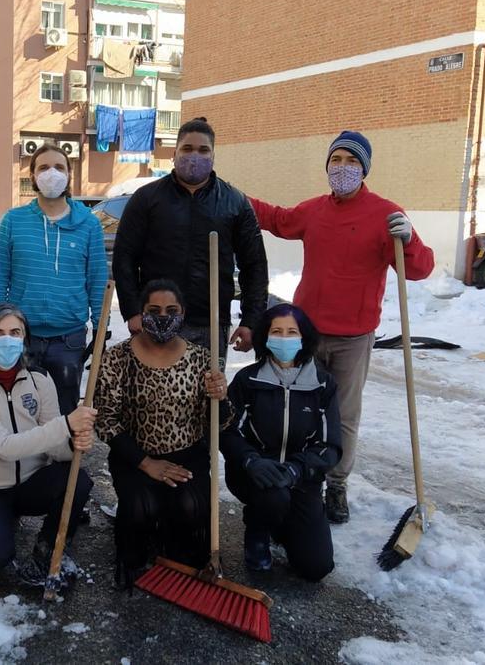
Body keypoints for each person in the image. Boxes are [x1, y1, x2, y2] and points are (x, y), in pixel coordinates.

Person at [249, 130, 435, 524]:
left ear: (364, 168)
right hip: (308, 335)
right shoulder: (315, 210)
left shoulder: (385, 214)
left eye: (352, 161)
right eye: (337, 160)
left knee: (344, 415)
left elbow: (418, 269)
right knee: (301, 410)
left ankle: (336, 486)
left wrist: (410, 240)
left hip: (353, 337)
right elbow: (278, 220)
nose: (343, 168)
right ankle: (305, 478)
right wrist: (236, 198)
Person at [93, 279, 230, 588]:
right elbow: (106, 421)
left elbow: (217, 424)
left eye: (172, 310)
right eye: (154, 310)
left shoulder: (202, 360)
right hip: (134, 455)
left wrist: (219, 398)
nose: (163, 316)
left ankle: (177, 546)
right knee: (143, 509)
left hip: (188, 456)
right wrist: (145, 463)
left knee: (190, 508)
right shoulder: (117, 359)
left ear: (183, 314)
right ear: (142, 314)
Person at [0, 304, 96, 586]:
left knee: (76, 479)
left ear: (25, 338)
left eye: (15, 332)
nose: (8, 339)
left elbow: (55, 447)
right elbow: (4, 446)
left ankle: (48, 547)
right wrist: (66, 425)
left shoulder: (39, 379)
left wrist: (76, 443)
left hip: (30, 482)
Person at [112, 117, 268, 358]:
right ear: (174, 153)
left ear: (213, 155)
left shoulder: (235, 203)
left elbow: (254, 265)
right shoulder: (146, 199)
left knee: (207, 392)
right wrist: (132, 310)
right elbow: (125, 257)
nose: (195, 156)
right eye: (187, 149)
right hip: (157, 318)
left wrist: (251, 320)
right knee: (156, 393)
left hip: (210, 322)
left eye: (203, 150)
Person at [221, 303, 342, 581]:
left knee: (315, 567)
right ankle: (258, 530)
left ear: (304, 337)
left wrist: (297, 469)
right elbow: (227, 430)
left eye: (291, 332)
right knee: (273, 497)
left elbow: (330, 444)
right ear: (265, 336)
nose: (284, 338)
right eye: (277, 331)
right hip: (255, 477)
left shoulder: (323, 385)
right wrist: (250, 460)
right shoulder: (247, 380)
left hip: (302, 480)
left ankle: (286, 525)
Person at [0, 142, 108, 414]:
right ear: (32, 176)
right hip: (21, 338)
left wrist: (102, 329)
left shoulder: (88, 224)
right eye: (43, 167)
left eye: (59, 167)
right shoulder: (14, 221)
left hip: (69, 340)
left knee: (64, 413)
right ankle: (28, 458)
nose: (51, 173)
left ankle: (61, 459)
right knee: (22, 411)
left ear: (68, 175)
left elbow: (97, 281)